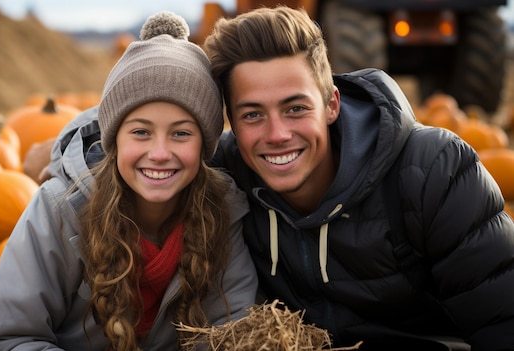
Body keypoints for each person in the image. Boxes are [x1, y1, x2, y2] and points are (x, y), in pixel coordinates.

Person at [204, 6, 514, 351]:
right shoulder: (225, 182)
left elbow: (503, 324)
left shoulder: (434, 172)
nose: (277, 134)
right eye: (252, 115)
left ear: (331, 104)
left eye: (296, 108)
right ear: (230, 120)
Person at [0, 11, 257, 351]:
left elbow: (231, 332)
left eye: (181, 133)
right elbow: (10, 338)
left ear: (205, 144)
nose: (158, 153)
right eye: (140, 132)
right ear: (114, 140)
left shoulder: (224, 210)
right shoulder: (59, 210)